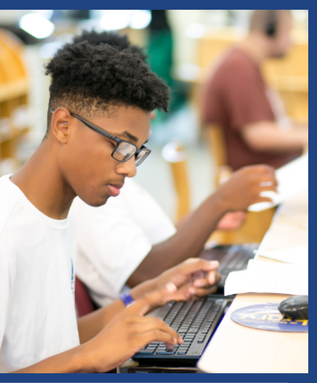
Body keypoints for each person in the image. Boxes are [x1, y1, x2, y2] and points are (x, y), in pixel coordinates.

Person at [0, 37, 226, 374]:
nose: (130, 168)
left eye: (137, 151)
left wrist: (147, 295)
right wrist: (86, 358)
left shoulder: (60, 212)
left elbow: (51, 346)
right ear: (63, 125)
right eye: (121, 146)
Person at [68, 30, 278, 308]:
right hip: (148, 314)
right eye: (135, 95)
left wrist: (202, 219)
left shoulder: (118, 163)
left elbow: (147, 242)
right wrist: (219, 201)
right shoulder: (91, 186)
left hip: (166, 299)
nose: (152, 108)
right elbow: (146, 272)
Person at [201, 10, 308, 171]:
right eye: (288, 31)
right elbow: (257, 135)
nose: (291, 41)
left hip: (270, 164)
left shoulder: (246, 62)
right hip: (258, 174)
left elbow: (271, 124)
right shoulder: (238, 69)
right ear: (269, 29)